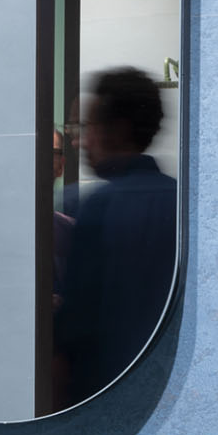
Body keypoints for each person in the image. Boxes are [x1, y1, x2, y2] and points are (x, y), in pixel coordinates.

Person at [53, 66, 177, 406]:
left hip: (100, 392)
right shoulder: (180, 199)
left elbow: (77, 324)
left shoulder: (99, 206)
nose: (78, 141)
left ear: (118, 130)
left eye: (86, 126)